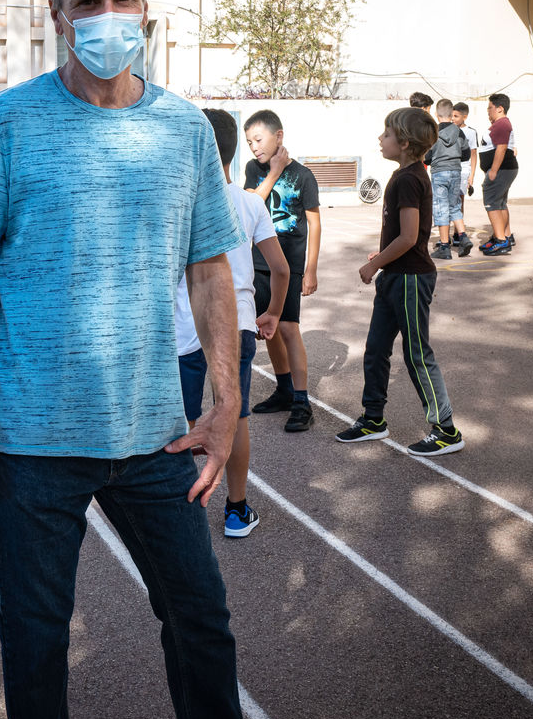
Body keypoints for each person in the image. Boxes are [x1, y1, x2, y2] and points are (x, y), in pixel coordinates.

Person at [0, 0, 336, 719]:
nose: (108, 14)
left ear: (148, 6)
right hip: (34, 439)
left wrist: (227, 400)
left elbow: (210, 272)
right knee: (35, 647)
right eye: (88, 1)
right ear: (56, 14)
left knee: (201, 616)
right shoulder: (7, 120)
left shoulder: (183, 129)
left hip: (157, 430)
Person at [181, 109, 290, 538]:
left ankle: (180, 509)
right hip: (238, 322)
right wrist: (273, 312)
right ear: (232, 151)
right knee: (235, 416)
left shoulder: (181, 204)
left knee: (185, 421)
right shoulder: (249, 202)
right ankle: (236, 509)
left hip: (185, 325)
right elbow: (280, 269)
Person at [337, 107, 464, 457]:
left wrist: (374, 264)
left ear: (405, 143)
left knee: (417, 353)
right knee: (376, 348)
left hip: (410, 278)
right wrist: (383, 257)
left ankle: (446, 430)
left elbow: (409, 238)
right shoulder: (403, 175)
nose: (381, 138)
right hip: (395, 275)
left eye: (387, 134)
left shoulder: (409, 179)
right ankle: (373, 419)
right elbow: (404, 235)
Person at [243, 109, 322, 433]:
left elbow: (314, 223)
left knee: (288, 327)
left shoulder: (303, 175)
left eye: (258, 139)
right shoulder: (253, 169)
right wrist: (273, 172)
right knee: (268, 327)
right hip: (258, 263)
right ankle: (285, 389)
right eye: (249, 142)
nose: (254, 147)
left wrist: (311, 269)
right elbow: (251, 204)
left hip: (288, 265)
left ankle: (302, 402)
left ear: (279, 136)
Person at [426, 99, 472, 258]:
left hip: (439, 172)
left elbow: (427, 157)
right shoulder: (459, 131)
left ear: (436, 114)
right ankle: (463, 237)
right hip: (455, 172)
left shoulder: (433, 133)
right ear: (452, 114)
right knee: (454, 206)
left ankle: (445, 246)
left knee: (441, 208)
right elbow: (466, 154)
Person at [478, 93, 517, 255]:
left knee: (492, 203)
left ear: (500, 108)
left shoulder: (502, 124)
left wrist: (493, 171)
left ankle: (501, 241)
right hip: (505, 169)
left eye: (490, 108)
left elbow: (502, 148)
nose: (488, 111)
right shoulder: (501, 124)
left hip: (501, 170)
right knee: (500, 203)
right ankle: (504, 236)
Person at [451, 101, 478, 208]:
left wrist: (472, 175)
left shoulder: (471, 132)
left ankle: (459, 219)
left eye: (456, 116)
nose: (452, 118)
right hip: (449, 169)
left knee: (460, 200)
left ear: (465, 117)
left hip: (463, 171)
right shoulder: (447, 130)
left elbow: (473, 154)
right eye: (451, 115)